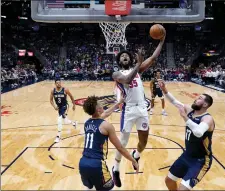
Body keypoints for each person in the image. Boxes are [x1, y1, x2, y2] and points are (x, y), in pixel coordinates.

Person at [111, 32, 166, 187]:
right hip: (128, 110)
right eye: (122, 56)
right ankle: (115, 168)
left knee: (144, 141)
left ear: (130, 59)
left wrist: (161, 41)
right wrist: (138, 64)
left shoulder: (138, 69)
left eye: (126, 55)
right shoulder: (116, 74)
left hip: (142, 108)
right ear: (119, 61)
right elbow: (127, 80)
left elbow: (153, 58)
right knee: (123, 141)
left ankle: (136, 154)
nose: (124, 57)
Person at [158, 79, 215, 190]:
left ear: (205, 104)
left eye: (199, 98)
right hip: (187, 155)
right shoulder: (190, 110)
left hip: (201, 160)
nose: (196, 99)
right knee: (169, 180)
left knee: (183, 189)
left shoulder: (207, 118)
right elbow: (174, 101)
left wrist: (184, 117)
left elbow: (198, 132)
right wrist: (165, 90)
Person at [79, 95, 138, 190]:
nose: (103, 105)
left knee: (91, 188)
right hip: (97, 165)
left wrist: (118, 103)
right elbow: (120, 148)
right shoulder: (107, 126)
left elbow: (105, 113)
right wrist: (133, 160)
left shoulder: (87, 123)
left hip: (83, 163)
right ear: (98, 109)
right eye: (100, 104)